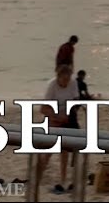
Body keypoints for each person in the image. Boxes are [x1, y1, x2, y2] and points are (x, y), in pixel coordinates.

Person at [37, 64, 81, 195]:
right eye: (63, 80)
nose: (66, 82)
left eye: (68, 79)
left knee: (65, 151)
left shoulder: (73, 83)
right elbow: (43, 109)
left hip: (67, 118)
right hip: (54, 117)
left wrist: (69, 114)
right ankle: (37, 177)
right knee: (49, 151)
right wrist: (57, 117)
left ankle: (63, 179)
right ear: (59, 77)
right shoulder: (52, 85)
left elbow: (75, 101)